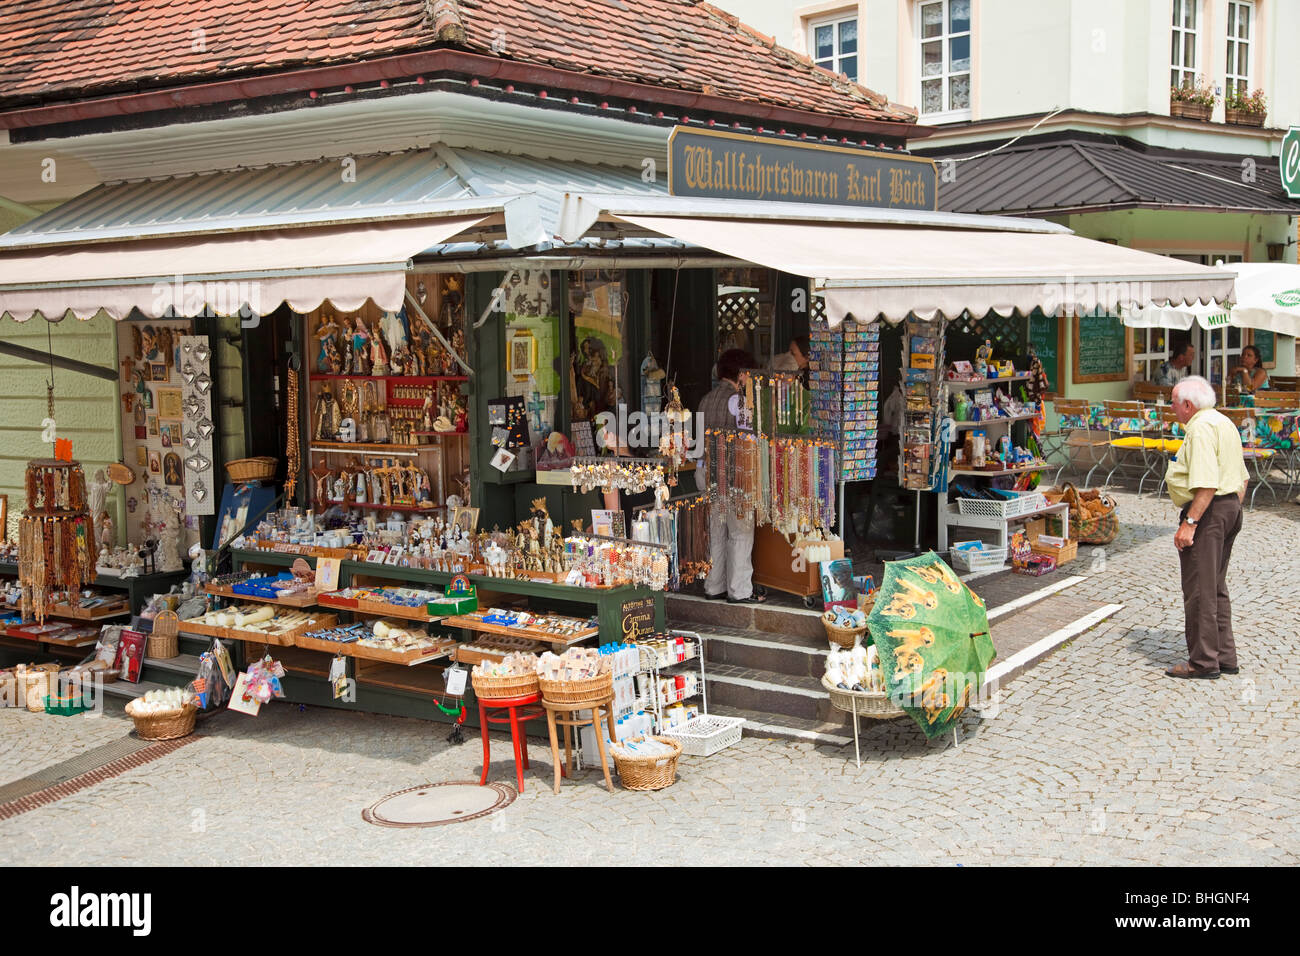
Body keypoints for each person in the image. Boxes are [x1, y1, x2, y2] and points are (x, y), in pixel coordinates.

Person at [1164, 376, 1248, 679]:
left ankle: (1203, 663)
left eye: (1173, 401)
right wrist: (1231, 509)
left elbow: (1206, 484)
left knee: (1200, 589)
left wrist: (1190, 524)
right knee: (1215, 587)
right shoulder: (1224, 422)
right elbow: (1243, 478)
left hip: (1209, 511)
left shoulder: (1199, 428)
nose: (1170, 407)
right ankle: (1225, 656)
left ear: (1188, 404)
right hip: (1228, 508)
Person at [699, 348, 762, 604]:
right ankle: (739, 590)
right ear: (742, 374)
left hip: (706, 470)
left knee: (716, 529)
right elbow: (750, 439)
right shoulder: (741, 401)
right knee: (740, 531)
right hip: (734, 473)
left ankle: (714, 585)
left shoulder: (705, 399)